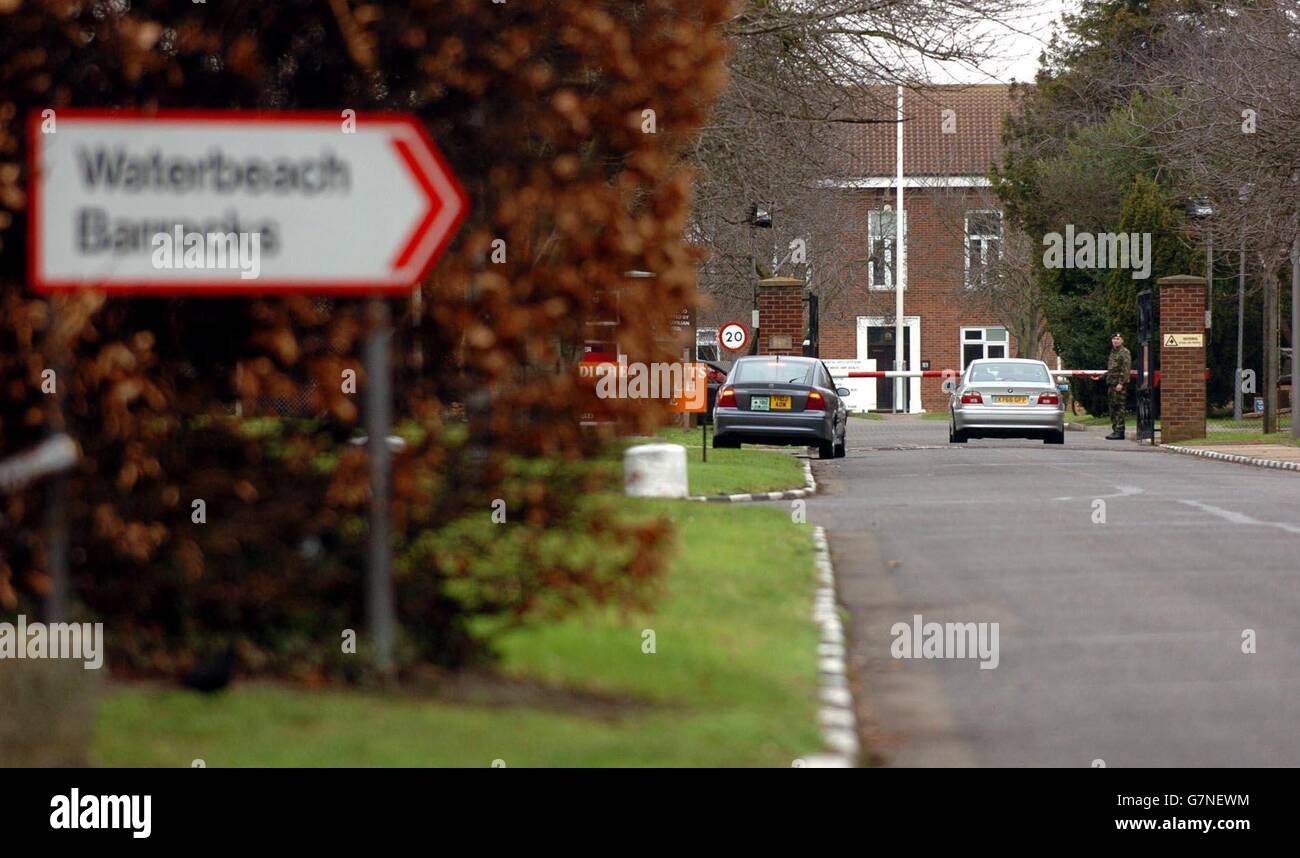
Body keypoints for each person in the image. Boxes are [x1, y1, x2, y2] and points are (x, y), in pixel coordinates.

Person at [1105, 333, 1132, 440]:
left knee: (1119, 407)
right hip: (1111, 384)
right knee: (1113, 407)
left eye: (1118, 339)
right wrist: (1102, 376)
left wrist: (1121, 383)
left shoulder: (1124, 352)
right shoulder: (1113, 352)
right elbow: (1112, 369)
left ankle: (1120, 431)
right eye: (1114, 339)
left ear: (1122, 340)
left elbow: (1126, 369)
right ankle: (1115, 429)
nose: (1115, 341)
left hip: (1119, 385)